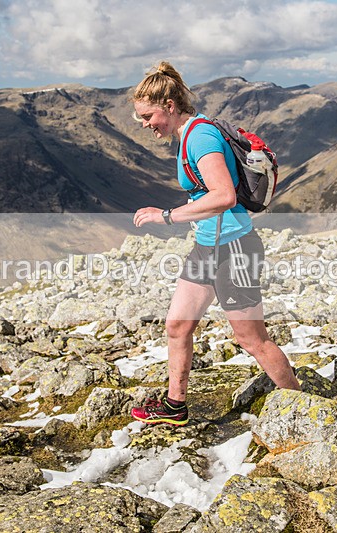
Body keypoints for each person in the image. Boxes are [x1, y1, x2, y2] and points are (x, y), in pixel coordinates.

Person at [130, 61, 300, 426]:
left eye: (148, 116)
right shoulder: (189, 135)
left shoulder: (201, 137)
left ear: (169, 106)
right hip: (208, 246)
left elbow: (224, 196)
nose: (145, 124)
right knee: (177, 325)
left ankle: (303, 409)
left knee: (251, 339)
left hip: (234, 247)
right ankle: (175, 406)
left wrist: (168, 216)